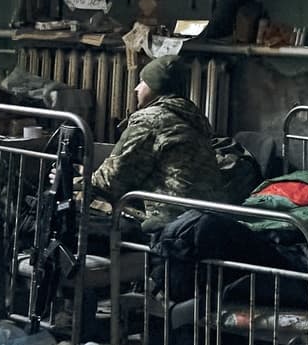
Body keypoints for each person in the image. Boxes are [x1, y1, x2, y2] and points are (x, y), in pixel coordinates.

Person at [88, 55, 254, 226]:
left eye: (143, 82)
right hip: (205, 217)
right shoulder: (192, 117)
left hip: (168, 219)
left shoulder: (151, 119)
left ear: (156, 87)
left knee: (85, 206)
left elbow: (112, 180)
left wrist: (79, 181)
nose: (136, 88)